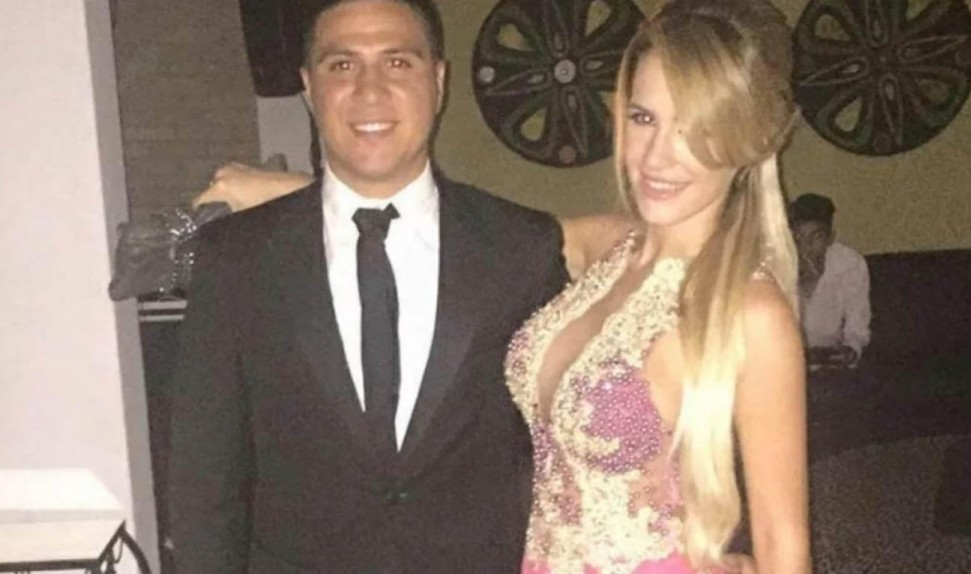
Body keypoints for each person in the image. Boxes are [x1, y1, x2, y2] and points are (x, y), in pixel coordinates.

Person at [167, 1, 586, 571]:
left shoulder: (521, 249)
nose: (370, 90)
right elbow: (204, 480)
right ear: (309, 87)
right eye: (342, 65)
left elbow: (552, 457)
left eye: (397, 62)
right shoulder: (237, 259)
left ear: (438, 81)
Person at [504, 0, 811, 571]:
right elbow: (470, 235)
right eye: (644, 118)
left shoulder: (751, 311)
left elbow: (782, 541)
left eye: (697, 129)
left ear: (750, 142)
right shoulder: (609, 247)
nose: (656, 156)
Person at [790, 193, 871, 369]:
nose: (805, 248)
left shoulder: (850, 264)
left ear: (830, 238)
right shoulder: (776, 265)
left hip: (831, 365)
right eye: (798, 238)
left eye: (815, 238)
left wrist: (849, 351)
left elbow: (857, 329)